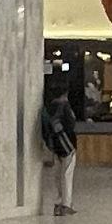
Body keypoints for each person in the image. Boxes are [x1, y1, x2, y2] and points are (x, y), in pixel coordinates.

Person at [40, 83, 78, 215]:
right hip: (68, 146)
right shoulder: (65, 107)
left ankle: (58, 203)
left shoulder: (48, 109)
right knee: (67, 174)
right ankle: (66, 204)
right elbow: (71, 125)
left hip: (55, 146)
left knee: (57, 175)